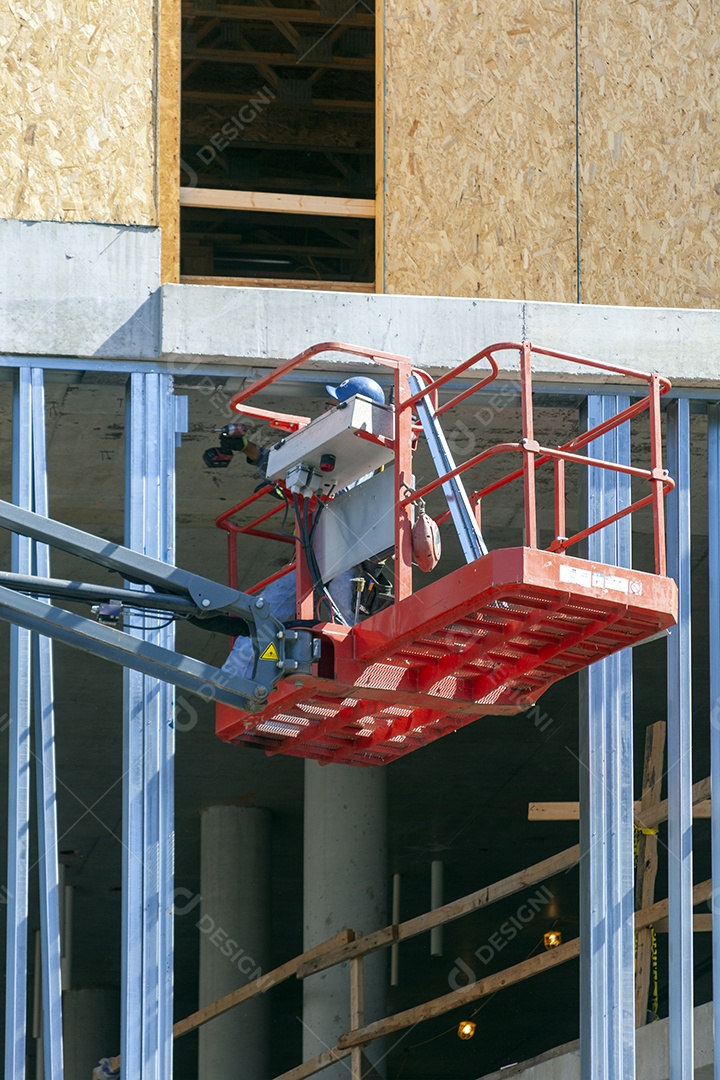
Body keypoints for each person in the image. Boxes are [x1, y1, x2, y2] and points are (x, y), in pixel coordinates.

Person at [203, 377, 389, 680]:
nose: (328, 409)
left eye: (335, 404)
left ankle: (351, 685)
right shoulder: (335, 444)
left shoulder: (368, 451)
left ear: (356, 408)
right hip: (314, 554)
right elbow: (297, 476)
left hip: (348, 558)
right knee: (262, 615)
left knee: (346, 630)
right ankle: (231, 687)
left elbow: (321, 484)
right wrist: (246, 448)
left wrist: (292, 474)